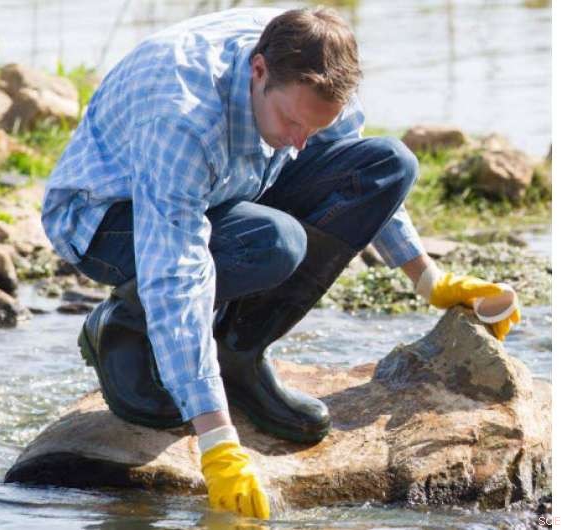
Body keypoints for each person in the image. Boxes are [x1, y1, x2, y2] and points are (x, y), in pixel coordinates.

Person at [41, 6, 521, 520]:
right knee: (271, 243)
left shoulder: (319, 61)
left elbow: (347, 159)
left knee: (387, 164)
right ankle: (120, 326)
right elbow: (175, 271)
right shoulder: (180, 115)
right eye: (291, 121)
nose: (299, 143)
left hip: (229, 188)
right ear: (259, 70)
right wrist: (218, 442)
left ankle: (239, 352)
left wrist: (430, 278)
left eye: (313, 128)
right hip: (109, 216)